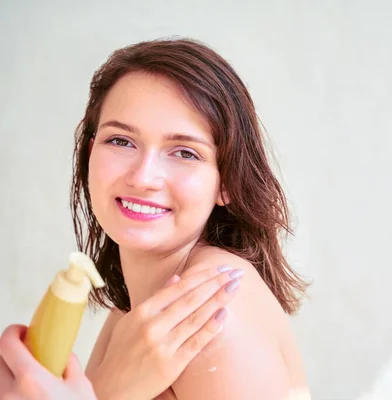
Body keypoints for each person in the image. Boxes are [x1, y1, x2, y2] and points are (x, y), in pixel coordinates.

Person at [0, 36, 311, 399]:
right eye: (121, 141)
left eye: (184, 152)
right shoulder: (141, 314)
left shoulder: (211, 317)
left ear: (226, 182)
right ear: (90, 154)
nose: (143, 177)